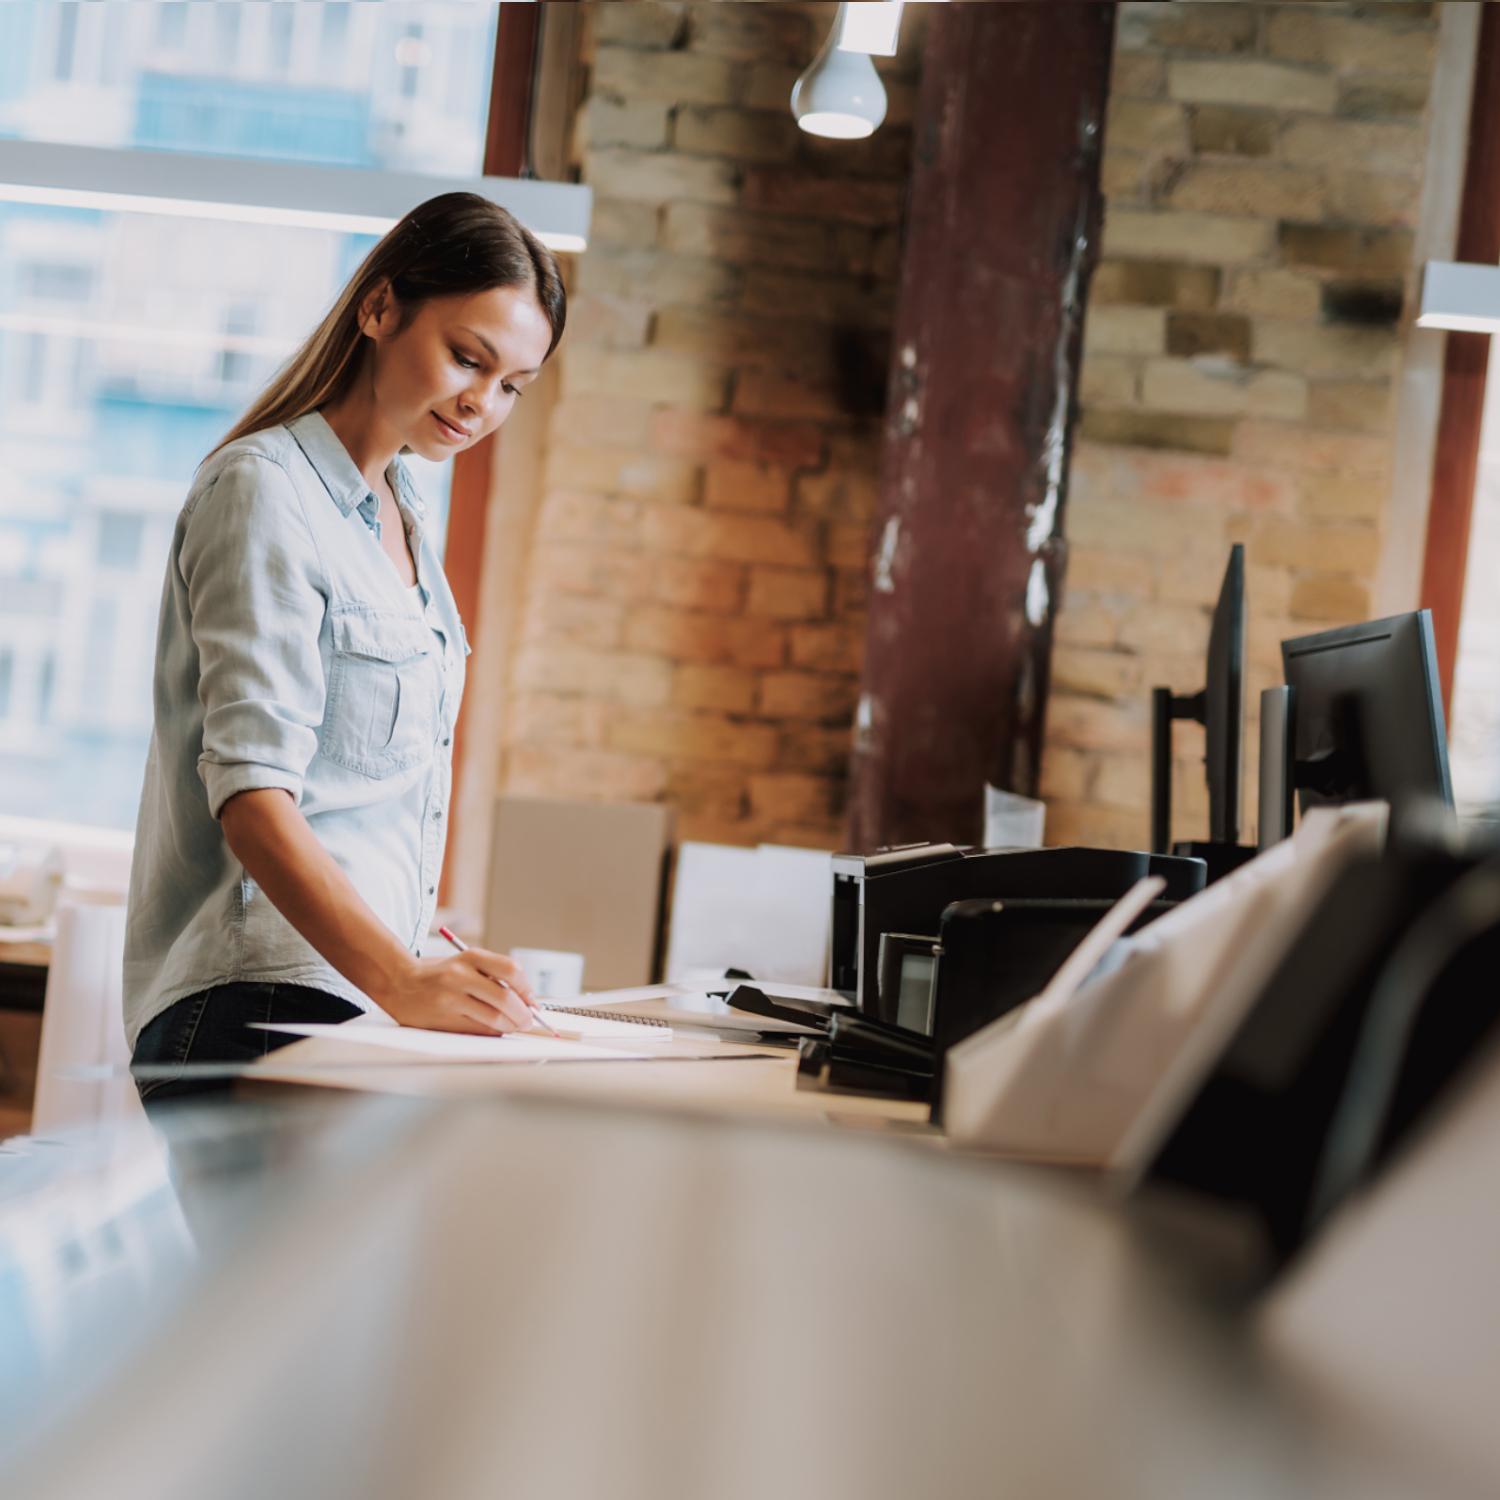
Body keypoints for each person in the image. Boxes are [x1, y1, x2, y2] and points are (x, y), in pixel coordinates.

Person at [125, 192, 565, 1103]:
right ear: (379, 308)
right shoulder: (265, 490)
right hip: (254, 1001)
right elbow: (252, 795)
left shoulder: (401, 515)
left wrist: (433, 962)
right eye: (467, 357)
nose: (482, 402)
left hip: (346, 997)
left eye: (512, 386)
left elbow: (362, 808)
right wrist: (402, 979)